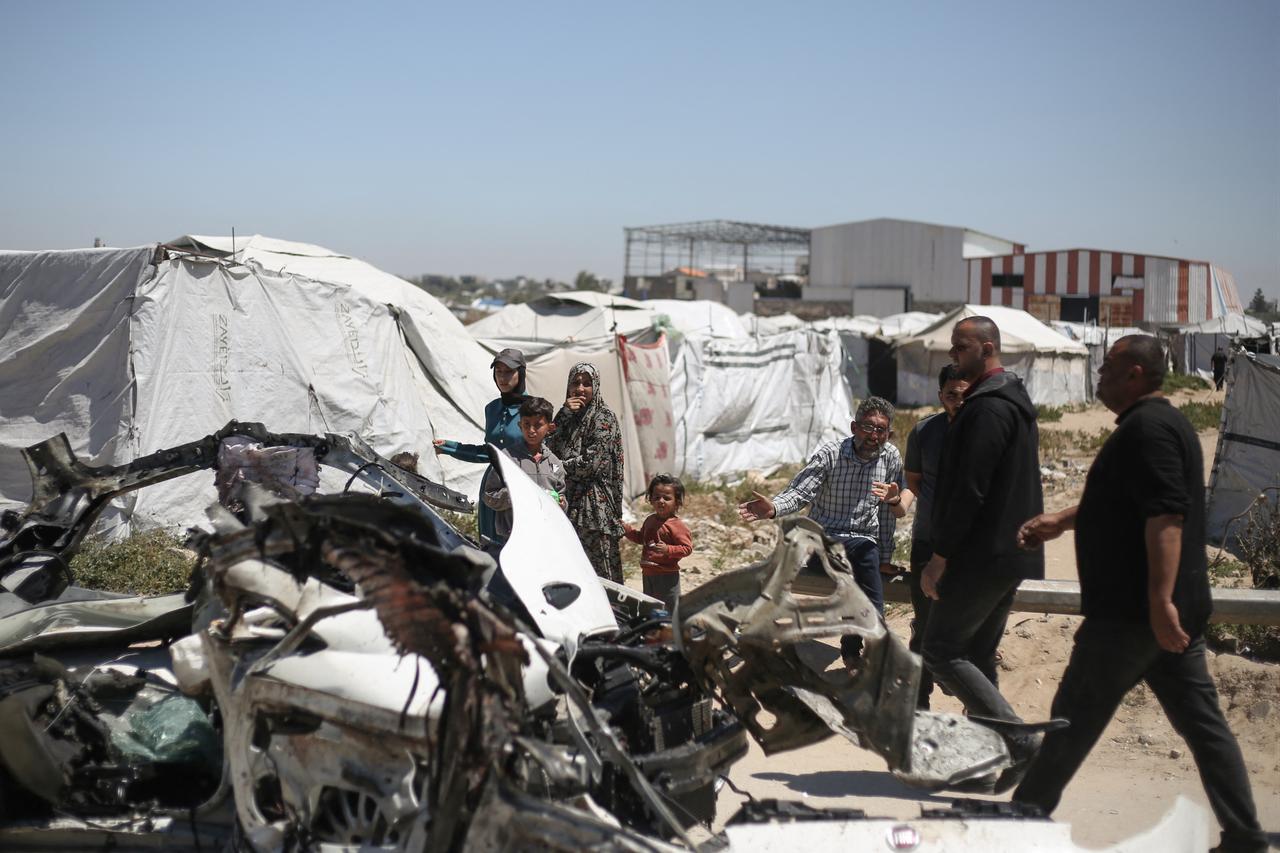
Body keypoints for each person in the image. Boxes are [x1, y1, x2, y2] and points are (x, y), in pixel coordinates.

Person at [1013, 335, 1266, 853]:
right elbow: (1125, 504)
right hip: (1160, 615)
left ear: (1133, 373)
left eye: (1107, 367)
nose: (1099, 376)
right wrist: (1062, 520)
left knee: (1072, 718)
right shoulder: (1156, 426)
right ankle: (1244, 835)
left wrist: (1159, 601)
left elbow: (1166, 517)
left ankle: (1019, 820)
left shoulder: (1148, 431)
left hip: (1132, 617)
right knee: (1204, 726)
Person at [919, 316, 1044, 791]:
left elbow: (969, 491)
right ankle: (983, 764)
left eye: (960, 347)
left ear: (986, 348)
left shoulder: (987, 409)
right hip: (1004, 553)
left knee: (941, 649)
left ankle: (1019, 742)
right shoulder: (1008, 402)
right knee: (977, 655)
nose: (953, 355)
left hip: (981, 555)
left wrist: (940, 555)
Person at [738, 396, 907, 659]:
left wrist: (885, 556)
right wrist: (773, 508)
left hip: (864, 545)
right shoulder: (831, 455)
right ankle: (868, 648)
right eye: (867, 427)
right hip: (825, 542)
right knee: (860, 563)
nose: (873, 435)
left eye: (880, 430)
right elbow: (800, 492)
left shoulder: (891, 458)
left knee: (864, 564)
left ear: (889, 434)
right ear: (853, 428)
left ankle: (861, 651)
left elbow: (887, 514)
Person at [902, 364, 969, 709]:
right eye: (951, 395)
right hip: (928, 540)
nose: (958, 401)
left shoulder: (985, 430)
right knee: (926, 625)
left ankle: (978, 715)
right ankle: (918, 708)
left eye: (964, 394)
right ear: (940, 396)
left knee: (971, 630)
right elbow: (914, 481)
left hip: (971, 547)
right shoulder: (924, 432)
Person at [435, 348, 528, 547]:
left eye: (508, 371)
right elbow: (488, 452)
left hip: (523, 485)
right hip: (493, 485)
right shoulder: (492, 409)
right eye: (498, 371)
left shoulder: (534, 408)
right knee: (491, 544)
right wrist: (449, 447)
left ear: (520, 374)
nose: (502, 377)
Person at [547, 362, 626, 583]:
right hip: (566, 502)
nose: (580, 389)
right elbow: (544, 449)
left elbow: (592, 463)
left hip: (593, 508)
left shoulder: (603, 417)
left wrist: (560, 466)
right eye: (575, 383)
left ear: (596, 386)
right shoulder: (565, 417)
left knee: (602, 576)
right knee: (570, 573)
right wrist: (562, 415)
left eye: (587, 383)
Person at [480, 396, 567, 548]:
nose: (531, 430)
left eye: (538, 425)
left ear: (550, 428)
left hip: (546, 539)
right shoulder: (506, 459)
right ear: (520, 425)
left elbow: (561, 495)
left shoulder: (555, 464)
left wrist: (561, 504)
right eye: (527, 425)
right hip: (513, 538)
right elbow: (489, 496)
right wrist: (516, 495)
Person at [624, 474, 693, 612]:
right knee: (650, 607)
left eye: (667, 498)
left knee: (668, 609)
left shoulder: (677, 525)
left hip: (666, 575)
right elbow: (642, 539)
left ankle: (671, 631)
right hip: (648, 573)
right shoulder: (650, 520)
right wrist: (628, 531)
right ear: (650, 500)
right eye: (656, 497)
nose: (661, 501)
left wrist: (668, 549)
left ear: (677, 502)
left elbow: (687, 548)